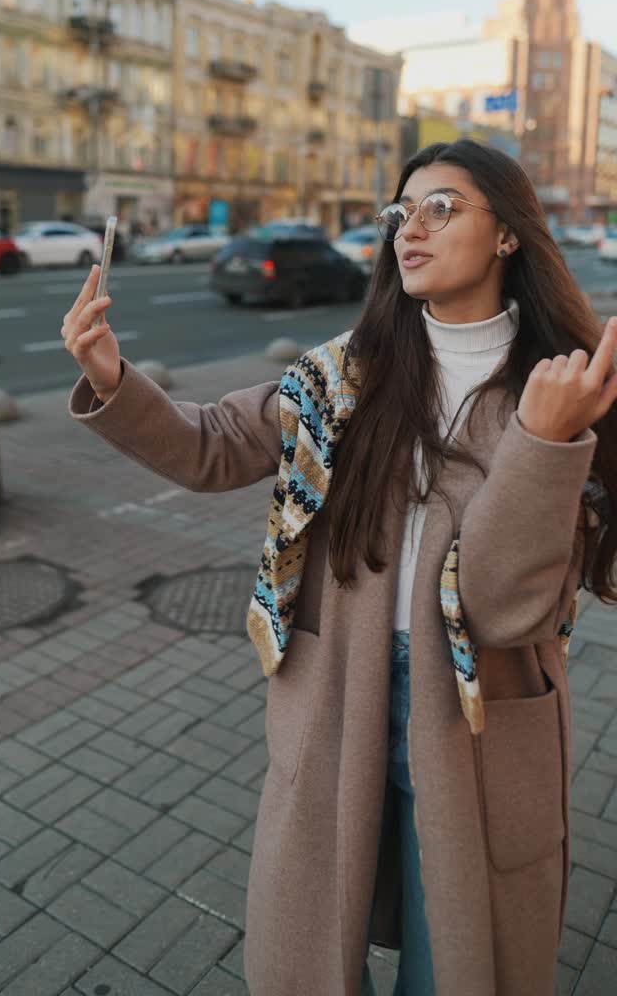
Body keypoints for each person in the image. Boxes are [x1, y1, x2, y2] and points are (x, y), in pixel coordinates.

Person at [61, 139, 617, 996]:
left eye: (440, 208)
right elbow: (212, 446)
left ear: (508, 232)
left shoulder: (559, 394)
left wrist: (545, 444)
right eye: (400, 212)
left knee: (461, 964)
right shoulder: (347, 373)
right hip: (339, 691)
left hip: (481, 714)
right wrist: (112, 377)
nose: (409, 230)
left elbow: (502, 609)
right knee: (310, 954)